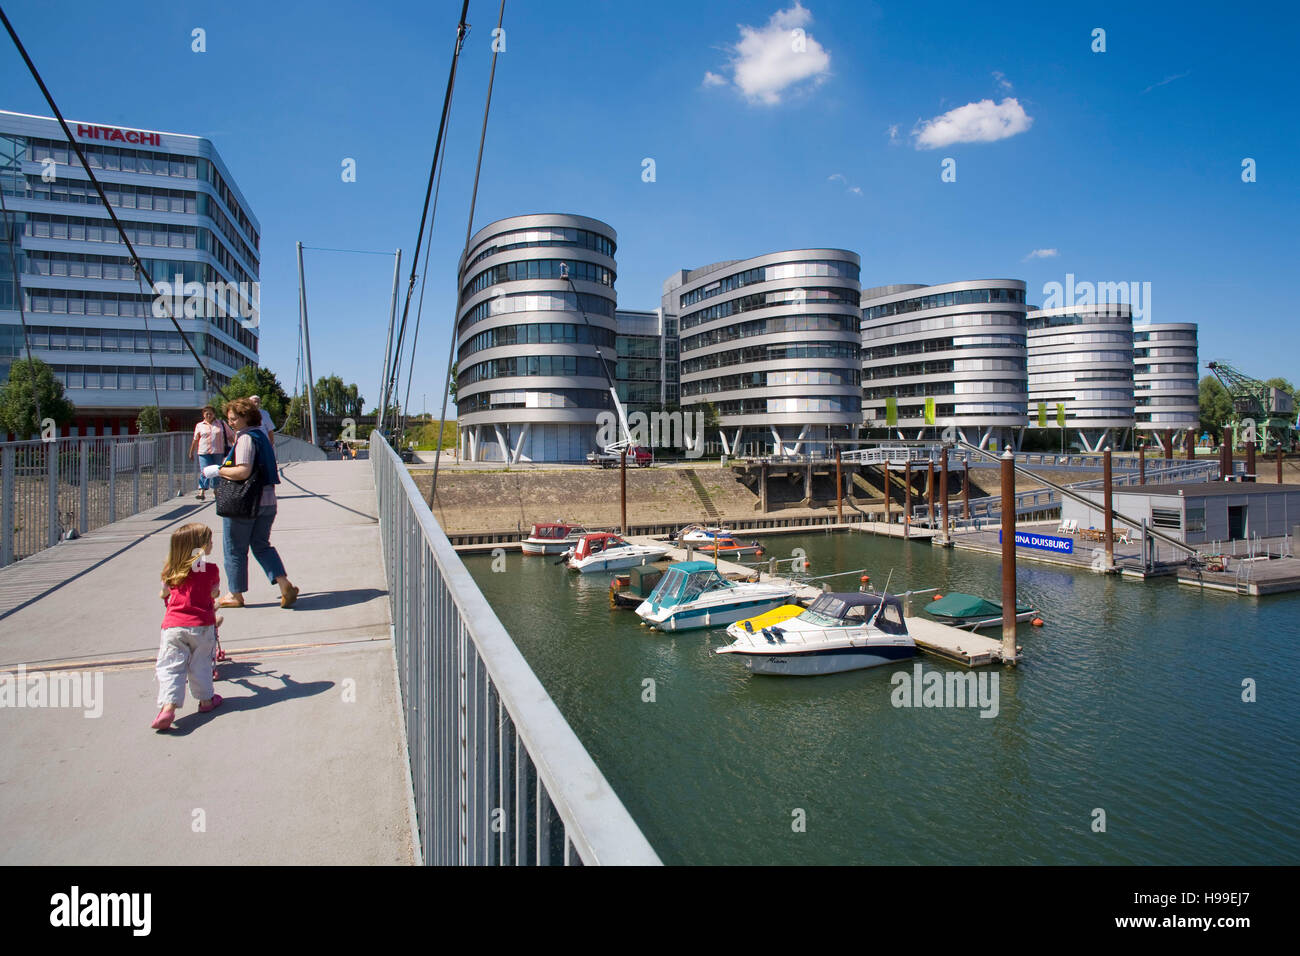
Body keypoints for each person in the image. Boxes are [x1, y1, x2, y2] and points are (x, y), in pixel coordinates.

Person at [206, 397, 299, 609]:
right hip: (267, 501)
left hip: (246, 504)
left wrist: (218, 470)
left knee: (234, 548)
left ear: (246, 417)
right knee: (261, 545)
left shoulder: (246, 439)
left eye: (234, 418)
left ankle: (235, 594)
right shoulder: (262, 436)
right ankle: (285, 585)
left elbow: (243, 471)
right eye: (229, 418)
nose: (230, 422)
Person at [152, 522, 223, 730]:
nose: (211, 544)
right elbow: (214, 593)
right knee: (200, 663)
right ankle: (206, 700)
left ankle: (168, 707)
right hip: (202, 626)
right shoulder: (210, 570)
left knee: (170, 667)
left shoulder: (170, 571)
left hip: (173, 627)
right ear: (199, 548)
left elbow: (163, 593)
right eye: (208, 542)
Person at [188, 405, 231, 501]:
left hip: (218, 451)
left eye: (211, 413)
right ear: (203, 415)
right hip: (204, 452)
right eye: (206, 413)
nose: (209, 415)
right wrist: (191, 452)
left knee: (216, 471)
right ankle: (201, 490)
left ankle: (216, 490)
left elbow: (230, 436)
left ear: (214, 414)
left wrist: (236, 446)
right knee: (205, 470)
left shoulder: (221, 424)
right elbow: (195, 440)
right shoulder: (199, 425)